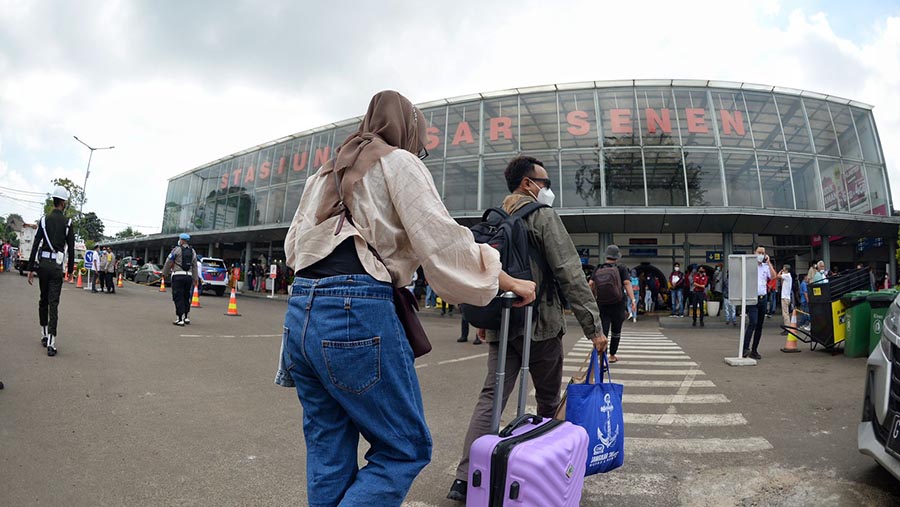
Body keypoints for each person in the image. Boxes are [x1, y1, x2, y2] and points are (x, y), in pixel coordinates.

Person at [272, 91, 536, 506]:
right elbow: (443, 242)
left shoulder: (322, 175)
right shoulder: (398, 162)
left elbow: (293, 249)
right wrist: (507, 280)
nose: (420, 149)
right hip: (355, 308)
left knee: (328, 447)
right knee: (404, 448)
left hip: (301, 310)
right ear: (407, 129)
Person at [449, 154, 607, 502]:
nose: (547, 188)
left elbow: (481, 272)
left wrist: (483, 320)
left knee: (491, 398)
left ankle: (466, 478)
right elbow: (569, 272)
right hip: (541, 323)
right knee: (548, 401)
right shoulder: (543, 216)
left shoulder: (494, 219)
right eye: (544, 182)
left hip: (503, 324)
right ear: (528, 184)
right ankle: (542, 474)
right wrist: (594, 328)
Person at [26, 186, 75, 357]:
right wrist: (70, 271)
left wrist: (30, 268)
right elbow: (71, 249)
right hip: (56, 267)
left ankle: (44, 334)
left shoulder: (43, 221)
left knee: (43, 299)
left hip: (43, 266)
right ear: (63, 202)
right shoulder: (68, 223)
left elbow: (35, 244)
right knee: (54, 303)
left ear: (53, 200)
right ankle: (51, 343)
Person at [591, 245, 635, 363]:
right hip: (618, 304)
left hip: (602, 304)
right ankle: (612, 355)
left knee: (603, 331)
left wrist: (594, 298)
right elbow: (627, 283)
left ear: (606, 255)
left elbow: (590, 284)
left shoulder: (598, 268)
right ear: (617, 257)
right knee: (616, 331)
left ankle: (603, 357)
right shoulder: (621, 268)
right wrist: (633, 300)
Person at [743, 246, 776, 360]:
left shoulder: (765, 267)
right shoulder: (749, 266)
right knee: (753, 322)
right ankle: (745, 348)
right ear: (754, 253)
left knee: (759, 325)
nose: (761, 255)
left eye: (763, 253)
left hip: (763, 298)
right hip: (752, 298)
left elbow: (773, 276)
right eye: (759, 252)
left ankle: (754, 350)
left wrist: (769, 263)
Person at [161, 233, 199, 326]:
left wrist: (164, 273)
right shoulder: (193, 251)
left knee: (178, 297)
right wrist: (195, 278)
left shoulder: (176, 250)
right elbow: (195, 266)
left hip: (178, 276)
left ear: (181, 240)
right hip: (188, 277)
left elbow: (168, 262)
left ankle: (180, 318)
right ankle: (186, 317)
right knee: (186, 296)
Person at [778, 265, 793, 336]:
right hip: (786, 297)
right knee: (785, 313)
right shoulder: (787, 276)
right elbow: (781, 282)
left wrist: (780, 271)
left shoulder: (787, 275)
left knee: (785, 314)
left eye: (783, 268)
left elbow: (778, 276)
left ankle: (787, 329)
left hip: (785, 297)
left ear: (786, 269)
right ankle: (787, 327)